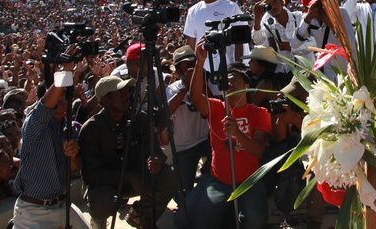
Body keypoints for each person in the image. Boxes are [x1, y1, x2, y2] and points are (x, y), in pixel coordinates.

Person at [175, 43, 272, 229]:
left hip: (249, 181)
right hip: (219, 181)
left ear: (246, 84)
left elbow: (259, 151)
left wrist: (237, 134)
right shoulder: (217, 107)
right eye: (226, 80)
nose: (228, 82)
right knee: (198, 223)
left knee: (255, 221)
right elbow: (196, 98)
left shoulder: (260, 113)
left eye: (234, 78)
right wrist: (200, 62)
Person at [79, 75, 176, 229]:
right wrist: (128, 177)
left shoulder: (140, 119)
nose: (126, 96)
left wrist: (155, 160)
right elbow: (91, 174)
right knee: (102, 200)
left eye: (127, 91)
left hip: (137, 177)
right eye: (120, 93)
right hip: (107, 185)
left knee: (170, 176)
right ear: (105, 101)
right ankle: (99, 222)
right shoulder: (91, 129)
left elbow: (155, 151)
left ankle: (140, 216)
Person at [11, 49, 88, 229]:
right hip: (33, 211)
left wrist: (73, 155)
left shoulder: (68, 128)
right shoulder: (34, 123)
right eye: (57, 99)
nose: (62, 103)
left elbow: (74, 168)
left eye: (64, 99)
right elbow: (45, 106)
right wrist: (66, 71)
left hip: (62, 204)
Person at [165, 45, 210, 193]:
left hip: (206, 140)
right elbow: (166, 112)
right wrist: (185, 87)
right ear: (178, 70)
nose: (190, 69)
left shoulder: (207, 83)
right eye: (187, 66)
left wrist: (201, 85)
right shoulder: (172, 89)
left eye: (193, 64)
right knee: (183, 195)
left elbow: (214, 108)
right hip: (184, 148)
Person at [183, 0, 245, 71]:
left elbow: (239, 43)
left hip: (227, 70)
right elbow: (190, 44)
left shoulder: (231, 7)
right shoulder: (193, 11)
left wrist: (237, 70)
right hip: (203, 72)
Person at [251, 0, 310, 77]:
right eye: (268, 5)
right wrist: (257, 18)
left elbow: (314, 44)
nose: (273, 6)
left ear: (282, 3)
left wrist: (292, 48)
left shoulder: (300, 17)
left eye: (275, 2)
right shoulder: (269, 26)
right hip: (284, 72)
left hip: (306, 71)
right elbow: (258, 41)